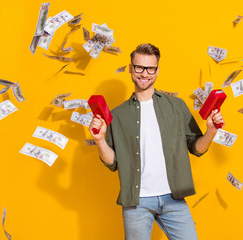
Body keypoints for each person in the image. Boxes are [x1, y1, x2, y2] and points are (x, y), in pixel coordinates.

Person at [89, 43, 225, 240]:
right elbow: (112, 162)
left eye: (150, 68)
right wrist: (100, 139)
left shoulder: (177, 106)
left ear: (157, 70)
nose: (144, 73)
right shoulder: (117, 115)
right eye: (139, 67)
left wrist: (210, 131)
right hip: (137, 202)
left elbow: (196, 148)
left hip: (174, 199)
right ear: (130, 68)